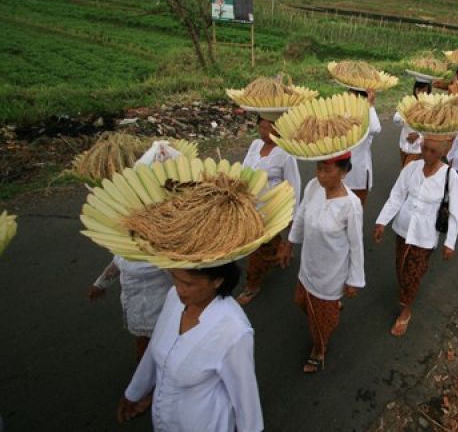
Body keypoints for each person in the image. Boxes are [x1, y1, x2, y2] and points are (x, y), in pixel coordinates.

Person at [117, 263, 263, 431]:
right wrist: (134, 392)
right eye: (175, 278)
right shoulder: (174, 297)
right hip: (164, 421)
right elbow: (153, 350)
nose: (180, 289)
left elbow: (245, 397)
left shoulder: (234, 330)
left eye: (188, 284)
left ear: (217, 281)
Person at [88, 140, 183, 361]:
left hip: (162, 311)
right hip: (135, 306)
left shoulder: (170, 238)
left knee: (162, 350)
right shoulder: (131, 231)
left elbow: (184, 278)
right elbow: (120, 260)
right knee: (144, 346)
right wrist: (100, 284)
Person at [278, 153, 365, 373]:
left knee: (321, 322)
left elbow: (356, 245)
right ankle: (331, 311)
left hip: (331, 273)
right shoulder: (312, 187)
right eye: (319, 168)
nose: (320, 175)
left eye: (327, 171)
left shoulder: (351, 206)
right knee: (300, 301)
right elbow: (300, 215)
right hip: (309, 263)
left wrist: (354, 279)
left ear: (344, 171)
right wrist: (289, 243)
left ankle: (319, 349)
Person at [374, 137, 458, 336]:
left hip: (425, 235)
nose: (427, 154)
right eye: (425, 149)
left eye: (433, 151)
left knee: (413, 273)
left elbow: (456, 211)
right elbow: (397, 195)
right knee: (401, 267)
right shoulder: (411, 168)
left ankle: (405, 310)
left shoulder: (451, 176)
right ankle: (405, 293)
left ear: (443, 152)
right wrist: (382, 221)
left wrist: (450, 242)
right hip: (403, 229)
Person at [236, 114, 302, 306]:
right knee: (260, 245)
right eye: (261, 128)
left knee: (257, 249)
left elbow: (294, 184)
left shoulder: (285, 153)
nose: (264, 133)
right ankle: (278, 252)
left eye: (269, 129)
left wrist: (293, 216)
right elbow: (244, 170)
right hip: (249, 206)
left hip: (271, 211)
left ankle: (252, 285)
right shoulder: (255, 145)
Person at [345, 89, 381, 207]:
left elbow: (375, 129)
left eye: (352, 95)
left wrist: (370, 105)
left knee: (357, 210)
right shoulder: (344, 113)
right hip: (341, 170)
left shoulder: (367, 115)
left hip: (359, 170)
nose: (348, 98)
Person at [394, 80, 430, 167]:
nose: (421, 93)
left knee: (406, 173)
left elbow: (433, 130)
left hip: (418, 148)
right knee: (404, 169)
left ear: (428, 92)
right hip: (404, 144)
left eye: (424, 91)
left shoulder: (431, 106)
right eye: (419, 90)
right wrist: (403, 117)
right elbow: (396, 120)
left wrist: (419, 135)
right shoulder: (408, 102)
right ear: (415, 90)